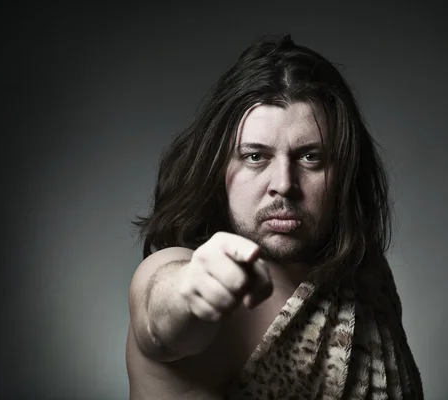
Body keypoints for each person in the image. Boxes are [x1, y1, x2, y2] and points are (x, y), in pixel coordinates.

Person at [126, 34, 424, 399]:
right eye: (255, 156)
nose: (283, 185)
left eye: (310, 157)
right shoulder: (178, 268)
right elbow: (160, 322)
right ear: (216, 166)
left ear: (344, 172)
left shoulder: (366, 280)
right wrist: (193, 290)